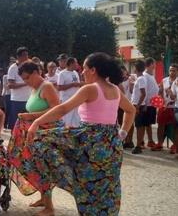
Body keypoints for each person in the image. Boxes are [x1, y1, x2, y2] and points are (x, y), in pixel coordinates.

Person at [26, 52, 135, 215]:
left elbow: (62, 109)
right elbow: (131, 110)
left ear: (93, 70)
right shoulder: (115, 90)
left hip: (90, 144)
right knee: (108, 189)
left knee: (87, 188)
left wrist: (36, 122)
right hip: (112, 145)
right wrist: (122, 133)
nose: (81, 72)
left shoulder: (90, 89)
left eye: (84, 68)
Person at [7, 62, 62, 214]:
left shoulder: (47, 87)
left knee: (42, 167)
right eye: (24, 79)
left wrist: (30, 116)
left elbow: (56, 110)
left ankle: (49, 208)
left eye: (28, 77)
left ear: (37, 72)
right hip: (37, 132)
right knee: (36, 166)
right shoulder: (35, 88)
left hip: (47, 134)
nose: (26, 81)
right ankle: (44, 199)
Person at [153, 64, 177, 151]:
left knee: (175, 127)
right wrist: (162, 100)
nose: (171, 72)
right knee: (160, 125)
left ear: (177, 71)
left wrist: (172, 95)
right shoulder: (164, 80)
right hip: (164, 107)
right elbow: (159, 92)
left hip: (174, 107)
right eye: (170, 70)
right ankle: (159, 143)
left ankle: (175, 145)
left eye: (174, 70)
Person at [7, 47, 31, 129]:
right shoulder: (13, 68)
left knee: (27, 123)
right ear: (18, 57)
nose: (26, 57)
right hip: (17, 100)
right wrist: (25, 83)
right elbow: (10, 85)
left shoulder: (29, 67)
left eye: (27, 55)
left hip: (29, 99)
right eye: (24, 55)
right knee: (16, 124)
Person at [57, 57, 81, 127]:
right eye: (76, 62)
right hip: (66, 99)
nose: (77, 64)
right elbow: (59, 87)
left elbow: (77, 84)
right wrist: (72, 84)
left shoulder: (75, 73)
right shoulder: (62, 74)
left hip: (76, 99)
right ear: (71, 64)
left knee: (76, 118)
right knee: (67, 118)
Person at [131, 60, 148, 154]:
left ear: (136, 68)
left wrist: (137, 106)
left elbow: (143, 94)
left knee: (139, 126)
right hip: (138, 105)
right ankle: (139, 144)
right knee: (139, 126)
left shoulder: (141, 79)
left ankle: (138, 146)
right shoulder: (140, 78)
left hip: (138, 105)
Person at [142, 57, 160, 148]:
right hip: (147, 104)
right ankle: (149, 141)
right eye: (154, 63)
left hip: (152, 104)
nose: (155, 65)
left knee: (148, 123)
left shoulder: (151, 75)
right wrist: (144, 104)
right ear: (151, 64)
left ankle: (149, 140)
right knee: (146, 123)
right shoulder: (145, 75)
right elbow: (144, 91)